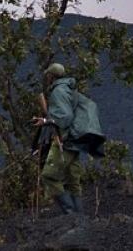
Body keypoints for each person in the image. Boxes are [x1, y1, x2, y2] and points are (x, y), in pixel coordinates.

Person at [34, 63, 106, 215]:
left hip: (65, 141)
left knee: (49, 176)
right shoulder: (68, 88)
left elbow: (65, 117)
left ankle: (71, 214)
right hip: (75, 142)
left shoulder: (57, 92)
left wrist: (46, 121)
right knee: (73, 182)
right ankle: (80, 218)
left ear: (50, 76)